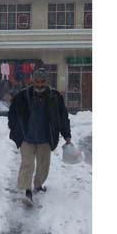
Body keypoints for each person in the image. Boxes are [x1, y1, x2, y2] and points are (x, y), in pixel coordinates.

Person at [7, 68, 71, 205]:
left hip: (45, 138)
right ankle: (27, 190)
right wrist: (15, 130)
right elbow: (12, 114)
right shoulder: (23, 96)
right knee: (27, 164)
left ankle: (38, 185)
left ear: (46, 82)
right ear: (32, 80)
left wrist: (67, 135)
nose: (40, 85)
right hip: (27, 137)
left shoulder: (55, 97)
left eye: (43, 82)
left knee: (43, 165)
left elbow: (63, 117)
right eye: (37, 81)